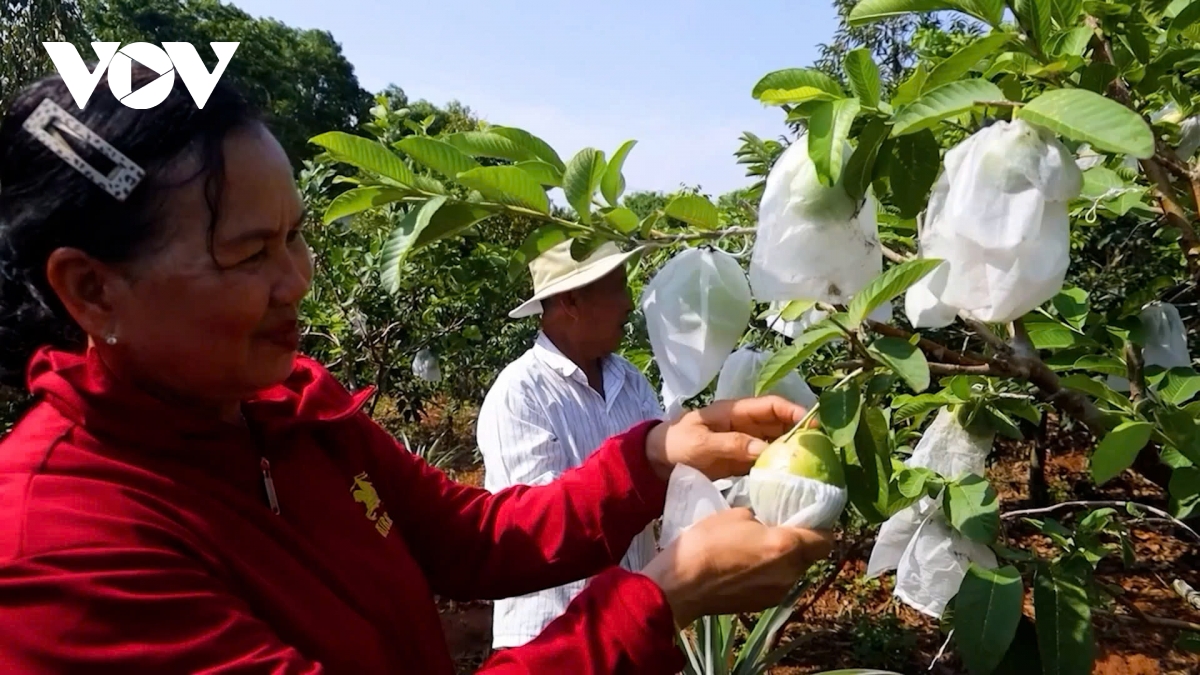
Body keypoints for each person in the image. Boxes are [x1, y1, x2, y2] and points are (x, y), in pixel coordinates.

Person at [0, 68, 834, 673]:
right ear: (91, 288)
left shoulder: (289, 413)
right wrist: (660, 600)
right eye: (249, 253)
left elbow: (472, 537)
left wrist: (655, 455)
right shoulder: (58, 549)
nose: (298, 280)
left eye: (294, 236)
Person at [478, 240, 664, 649]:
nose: (629, 303)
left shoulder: (632, 382)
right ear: (571, 301)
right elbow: (541, 529)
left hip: (632, 627)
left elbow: (669, 480)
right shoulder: (520, 393)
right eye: (617, 288)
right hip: (555, 639)